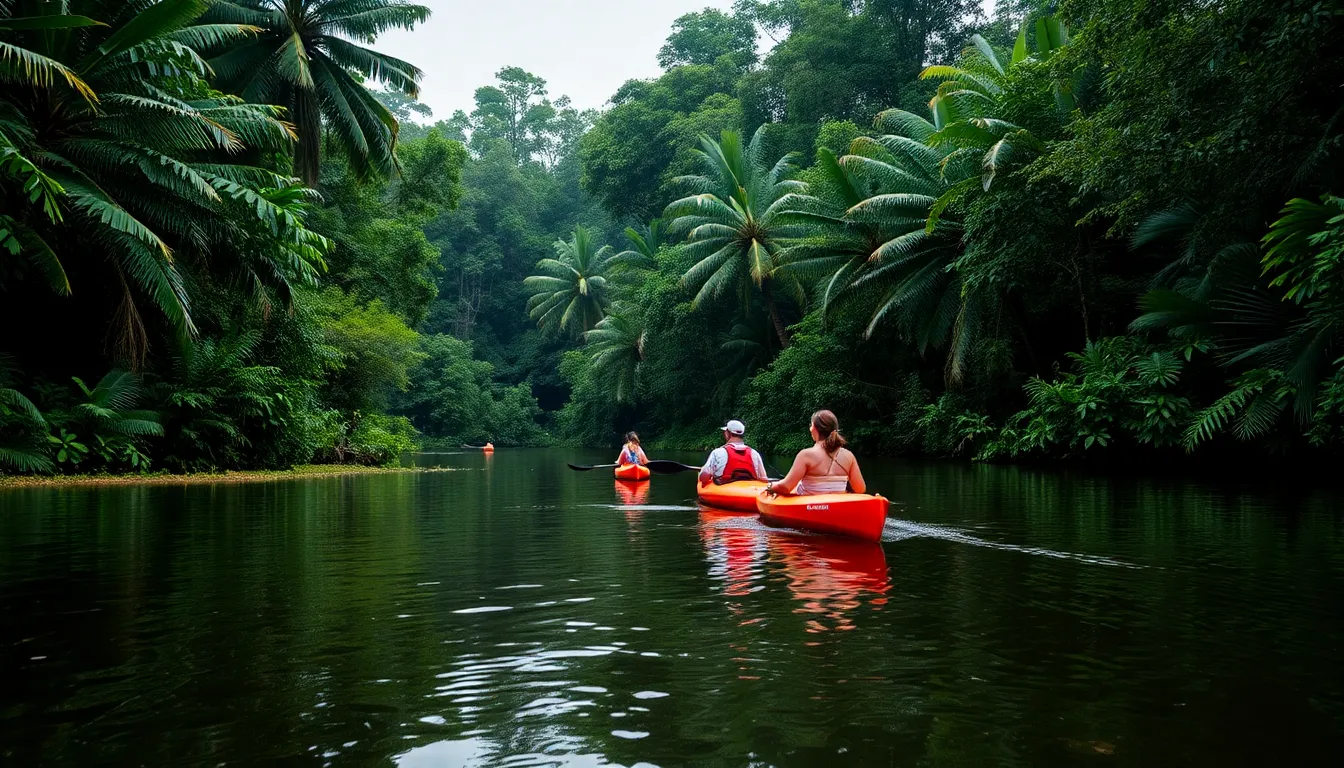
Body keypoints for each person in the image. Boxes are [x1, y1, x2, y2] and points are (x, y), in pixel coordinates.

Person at [766, 410, 865, 496]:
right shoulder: (849, 456)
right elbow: (860, 489)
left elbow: (786, 487)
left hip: (811, 508)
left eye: (811, 425)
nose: (810, 428)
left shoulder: (805, 455)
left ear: (815, 429)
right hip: (838, 506)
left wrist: (770, 486)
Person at [699, 419, 768, 486]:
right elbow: (764, 479)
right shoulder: (754, 453)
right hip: (750, 491)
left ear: (727, 433)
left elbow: (704, 478)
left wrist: (703, 469)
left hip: (725, 490)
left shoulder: (717, 452)